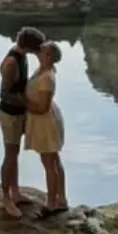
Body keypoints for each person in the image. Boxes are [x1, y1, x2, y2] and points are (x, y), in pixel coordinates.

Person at [0, 26, 46, 219]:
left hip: (19, 113)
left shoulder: (21, 56)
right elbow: (4, 94)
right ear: (29, 47)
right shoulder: (11, 62)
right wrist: (29, 103)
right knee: (10, 155)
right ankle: (6, 198)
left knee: (15, 154)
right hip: (9, 114)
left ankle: (16, 192)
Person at [25, 40, 68, 216]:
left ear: (49, 56)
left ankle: (52, 203)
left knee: (49, 162)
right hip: (44, 120)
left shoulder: (47, 78)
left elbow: (42, 107)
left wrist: (22, 103)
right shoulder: (41, 71)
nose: (39, 50)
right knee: (54, 160)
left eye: (42, 50)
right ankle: (61, 198)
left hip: (45, 122)